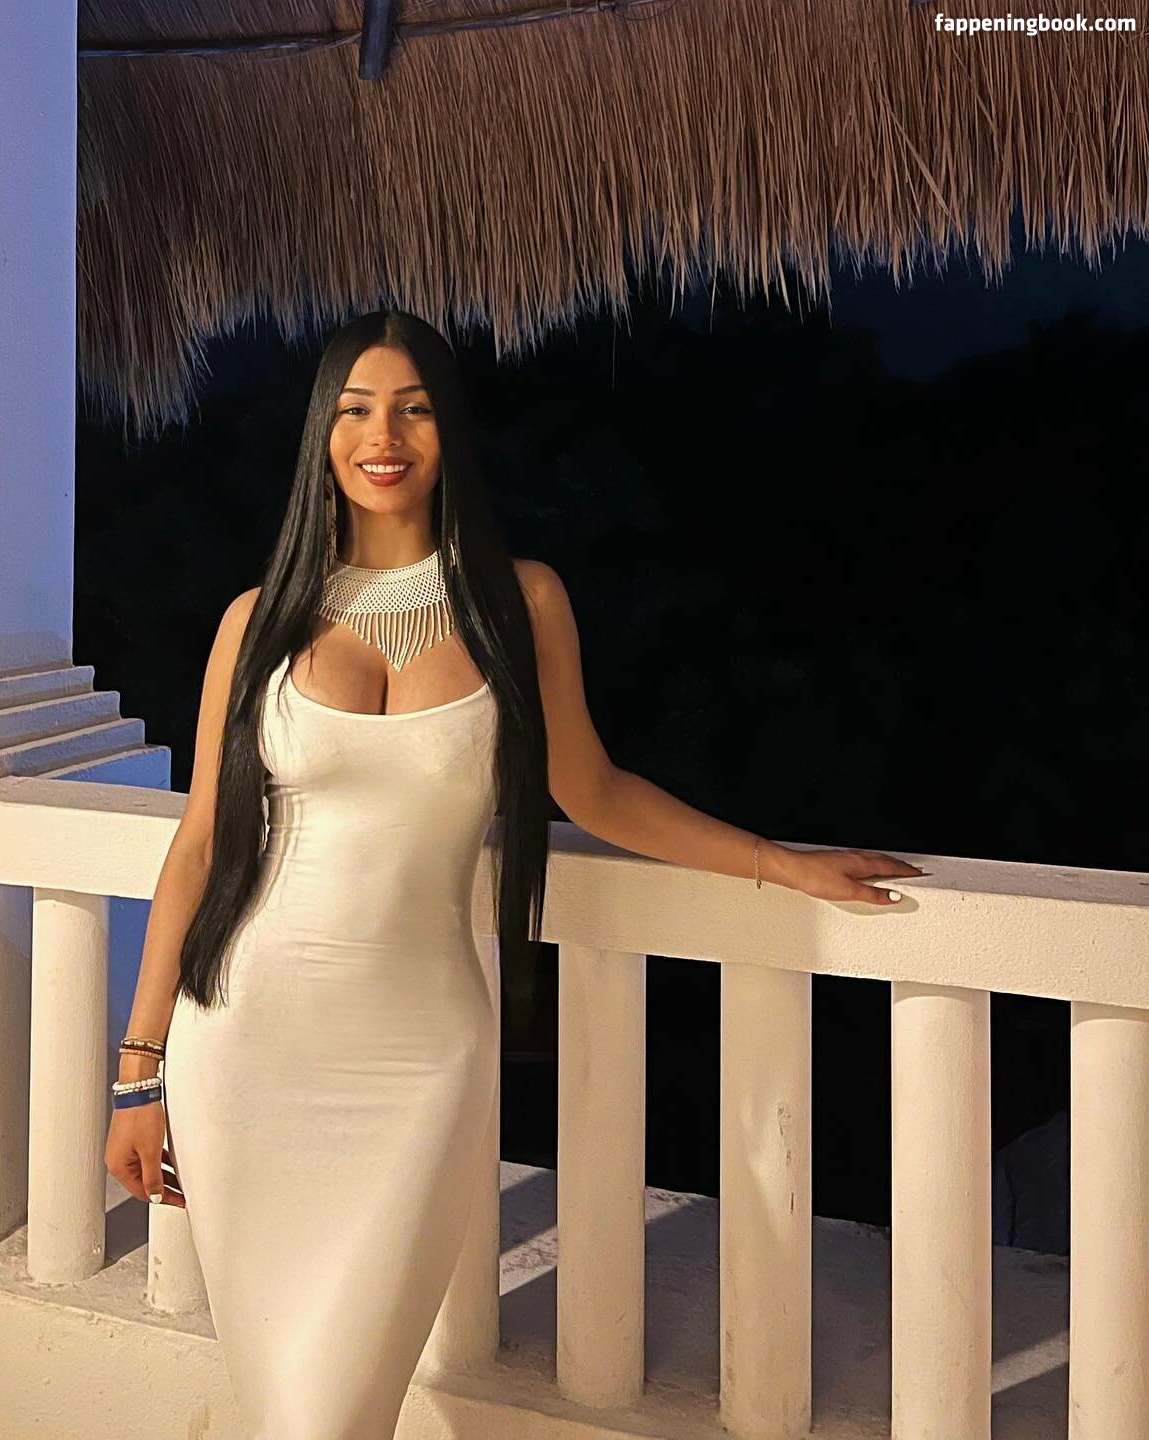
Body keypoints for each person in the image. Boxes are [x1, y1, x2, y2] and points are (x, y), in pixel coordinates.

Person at [104, 308, 923, 1438]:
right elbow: (200, 845)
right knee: (295, 1410)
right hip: (246, 1044)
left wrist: (774, 861)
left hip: (419, 1062)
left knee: (332, 1410)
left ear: (449, 430)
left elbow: (597, 791)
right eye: (355, 410)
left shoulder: (518, 601)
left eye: (413, 409)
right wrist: (139, 1073)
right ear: (321, 436)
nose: (383, 436)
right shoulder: (259, 622)